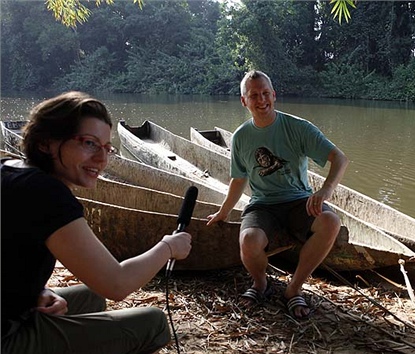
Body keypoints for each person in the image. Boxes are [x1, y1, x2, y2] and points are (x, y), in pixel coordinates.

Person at [1, 91, 193, 354]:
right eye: (89, 143)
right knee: (153, 322)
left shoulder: (9, 168)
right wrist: (169, 247)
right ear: (46, 143)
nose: (102, 159)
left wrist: (37, 291)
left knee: (92, 295)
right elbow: (116, 283)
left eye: (106, 148)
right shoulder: (47, 193)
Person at [206, 70, 349, 320]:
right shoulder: (241, 137)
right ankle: (261, 283)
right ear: (244, 101)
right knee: (249, 241)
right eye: (254, 96)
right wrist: (223, 212)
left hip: (298, 202)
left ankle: (293, 289)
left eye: (265, 94)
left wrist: (325, 190)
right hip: (262, 206)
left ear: (274, 95)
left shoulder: (298, 128)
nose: (261, 100)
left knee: (331, 222)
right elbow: (239, 179)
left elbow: (339, 158)